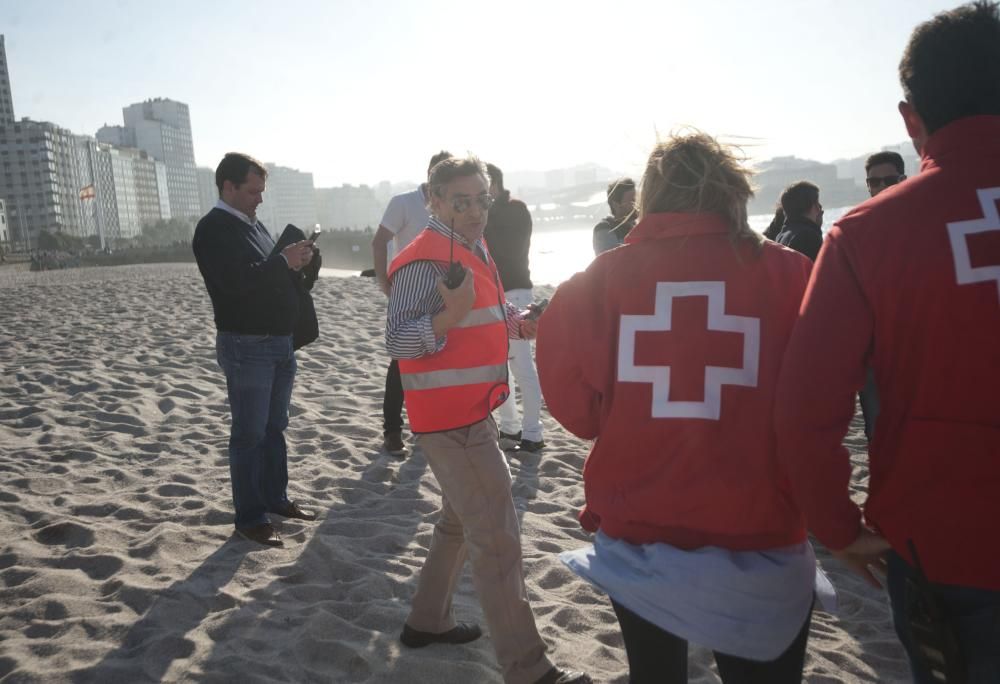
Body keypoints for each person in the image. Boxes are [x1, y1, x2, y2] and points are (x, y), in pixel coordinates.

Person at [774, 2, 1000, 681]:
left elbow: (806, 411)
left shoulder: (867, 234)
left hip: (945, 546)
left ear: (911, 119)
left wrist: (838, 526)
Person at [537, 132, 816, 683]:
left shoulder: (600, 279)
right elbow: (821, 399)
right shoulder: (791, 274)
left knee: (654, 676)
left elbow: (570, 397)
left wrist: (619, 418)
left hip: (639, 528)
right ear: (733, 191)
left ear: (652, 195)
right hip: (758, 527)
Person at [386, 156, 591, 684]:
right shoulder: (421, 259)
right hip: (449, 421)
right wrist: (448, 316)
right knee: (497, 537)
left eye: (482, 199)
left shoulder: (469, 247)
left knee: (458, 523)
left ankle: (426, 622)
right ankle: (529, 670)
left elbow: (483, 316)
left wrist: (521, 324)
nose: (476, 210)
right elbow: (397, 340)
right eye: (462, 200)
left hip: (471, 411)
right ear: (432, 199)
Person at [192, 152, 318, 547]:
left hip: (279, 343)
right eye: (252, 191)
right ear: (227, 187)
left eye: (261, 191)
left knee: (274, 427)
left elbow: (269, 279)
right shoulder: (212, 229)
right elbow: (236, 285)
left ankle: (274, 498)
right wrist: (282, 261)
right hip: (247, 344)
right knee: (248, 434)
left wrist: (300, 262)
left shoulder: (252, 224)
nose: (259, 199)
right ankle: (250, 517)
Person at [371, 151, 453, 457]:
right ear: (430, 174)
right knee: (401, 364)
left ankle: (431, 428)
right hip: (408, 294)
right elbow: (379, 241)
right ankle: (392, 431)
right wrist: (384, 283)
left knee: (441, 358)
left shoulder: (452, 204)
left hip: (445, 295)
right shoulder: (404, 202)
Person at [483, 162, 545, 453]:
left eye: (481, 185)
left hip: (517, 291)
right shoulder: (488, 213)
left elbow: (509, 251)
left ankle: (532, 432)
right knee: (501, 367)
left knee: (522, 367)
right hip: (494, 293)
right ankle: (511, 428)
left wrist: (488, 214)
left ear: (492, 183)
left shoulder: (515, 210)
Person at [855, 151, 909, 441]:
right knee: (879, 430)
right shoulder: (858, 229)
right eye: (874, 182)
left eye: (889, 180)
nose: (881, 187)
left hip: (919, 343)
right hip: (876, 349)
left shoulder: (925, 220)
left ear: (903, 179)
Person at [774, 182, 824, 261]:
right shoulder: (808, 236)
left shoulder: (780, 236)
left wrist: (816, 227)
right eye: (817, 202)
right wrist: (816, 231)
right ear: (815, 206)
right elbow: (819, 269)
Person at [592, 178, 637, 254]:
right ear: (616, 205)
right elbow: (613, 261)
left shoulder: (637, 226)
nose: (637, 205)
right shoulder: (604, 228)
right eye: (632, 201)